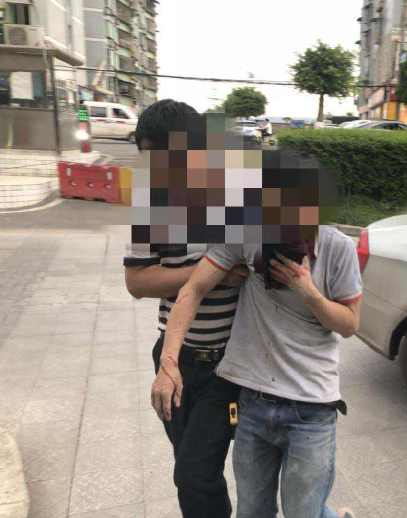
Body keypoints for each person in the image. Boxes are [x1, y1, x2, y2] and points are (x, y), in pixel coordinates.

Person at [151, 151, 361, 518]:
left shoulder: (339, 248)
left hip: (312, 407)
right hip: (254, 402)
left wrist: (308, 291)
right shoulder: (247, 237)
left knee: (302, 512)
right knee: (252, 511)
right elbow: (193, 290)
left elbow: (350, 324)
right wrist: (169, 362)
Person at [124, 100, 248, 517]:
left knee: (194, 473)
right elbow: (138, 281)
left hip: (228, 365)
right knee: (192, 468)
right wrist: (209, 273)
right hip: (175, 359)